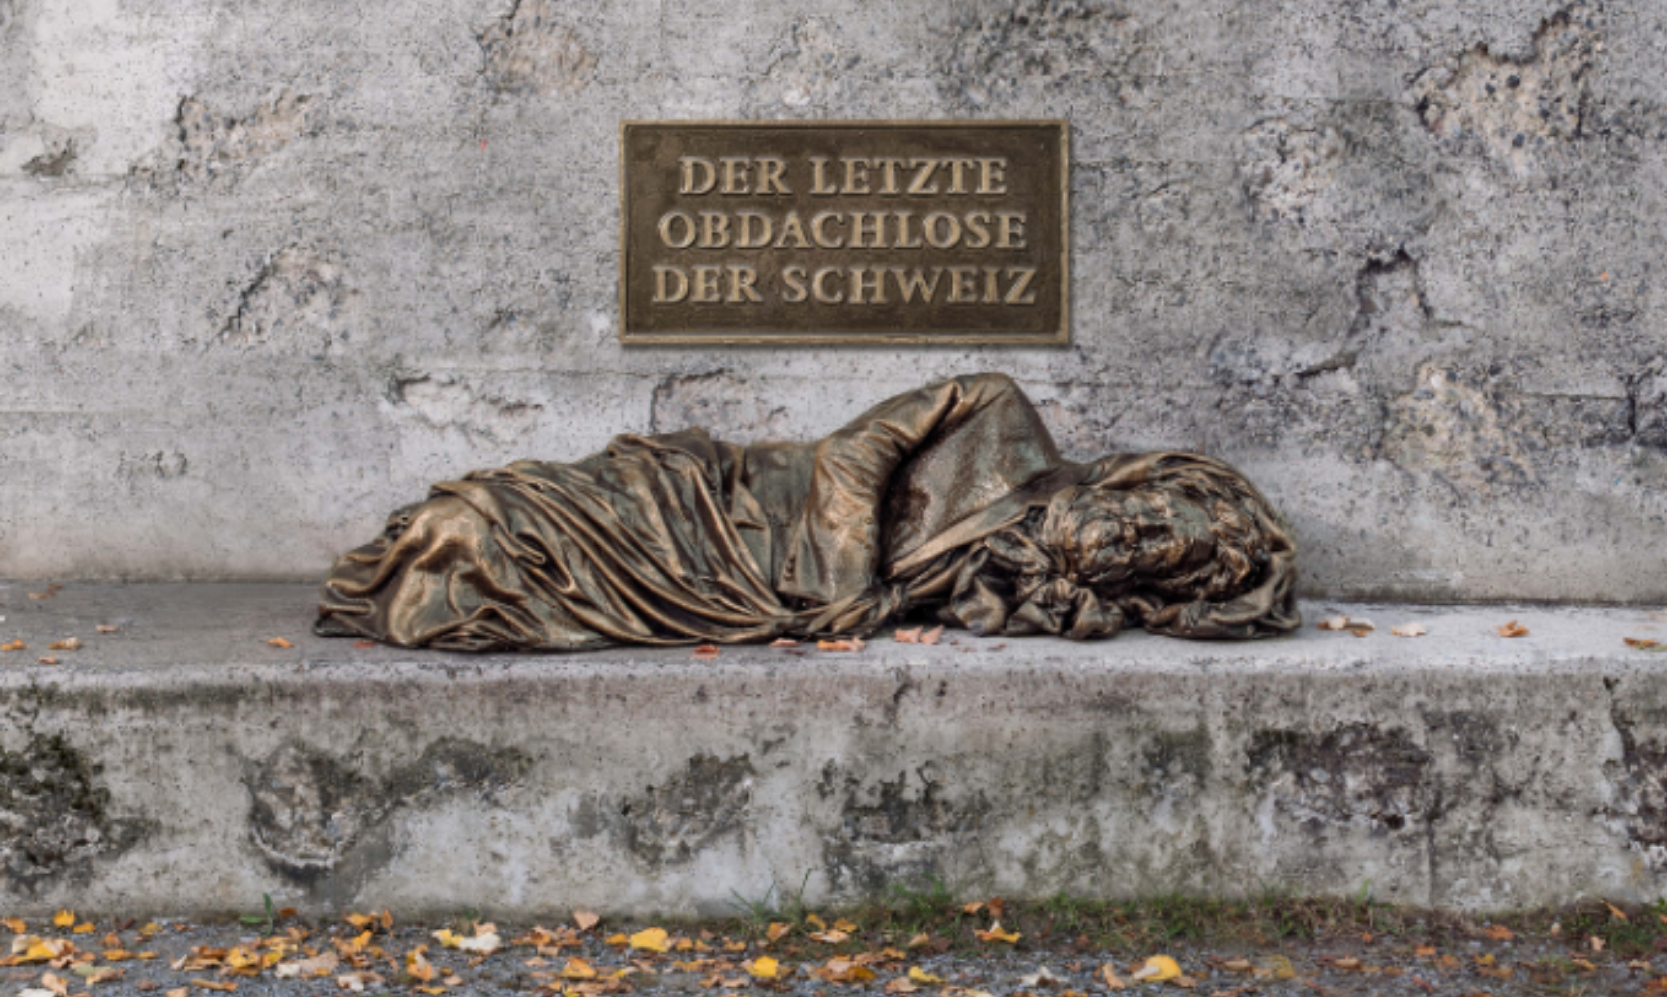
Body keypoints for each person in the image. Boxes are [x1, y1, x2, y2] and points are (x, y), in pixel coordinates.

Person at [315, 374, 1298, 650]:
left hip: (749, 591)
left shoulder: (1027, 589)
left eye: (1154, 555)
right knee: (494, 522)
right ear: (1131, 483)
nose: (1132, 535)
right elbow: (855, 451)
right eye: (1154, 514)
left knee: (508, 570)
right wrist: (845, 571)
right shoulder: (1002, 423)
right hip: (741, 500)